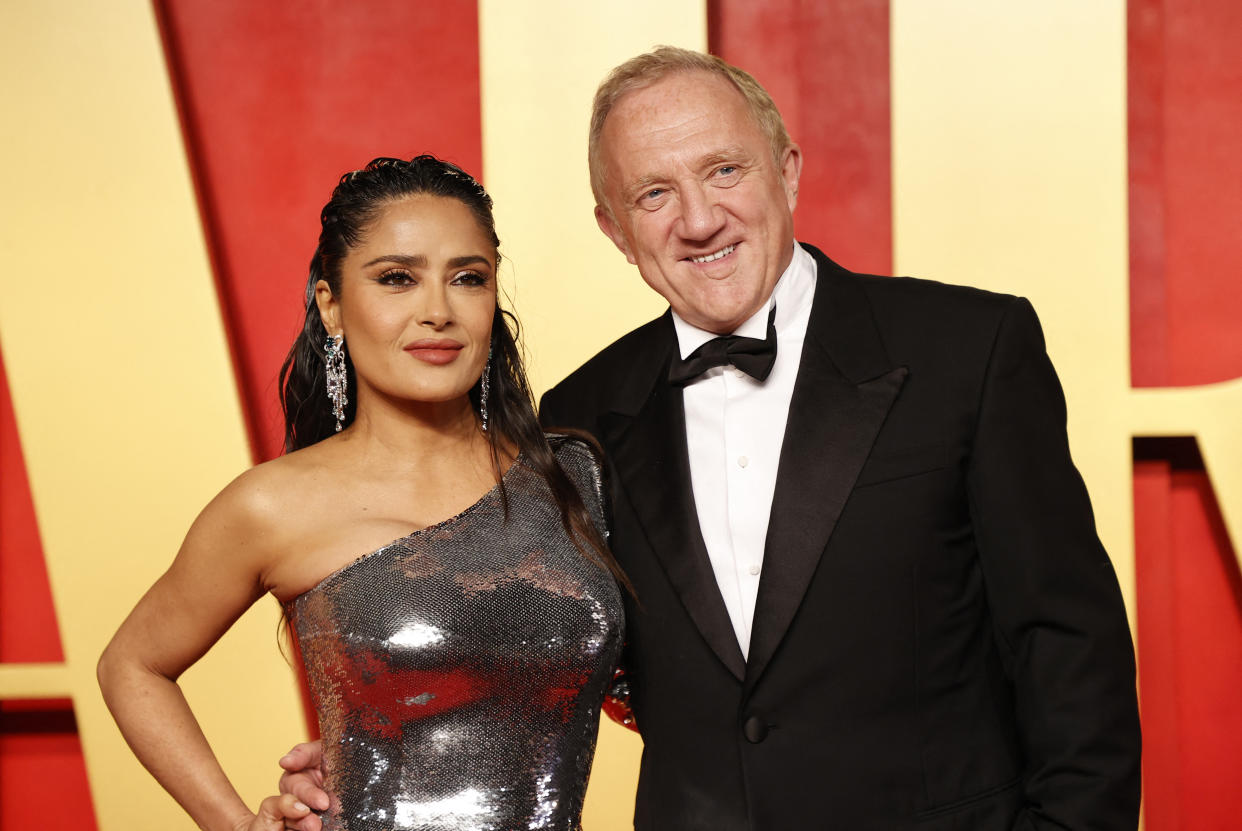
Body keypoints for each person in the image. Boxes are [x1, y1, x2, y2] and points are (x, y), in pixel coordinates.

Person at [280, 48, 1142, 830]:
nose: (698, 220)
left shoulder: (968, 349)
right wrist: (388, 750)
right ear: (614, 229)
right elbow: (535, 650)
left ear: (788, 172)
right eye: (653, 194)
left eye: (724, 170)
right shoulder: (576, 421)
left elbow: (1068, 645)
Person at [97, 156, 625, 831]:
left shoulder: (575, 478)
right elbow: (132, 664)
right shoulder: (274, 505)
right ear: (332, 304)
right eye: (396, 279)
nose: (437, 310)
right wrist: (234, 823)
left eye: (468, 278)